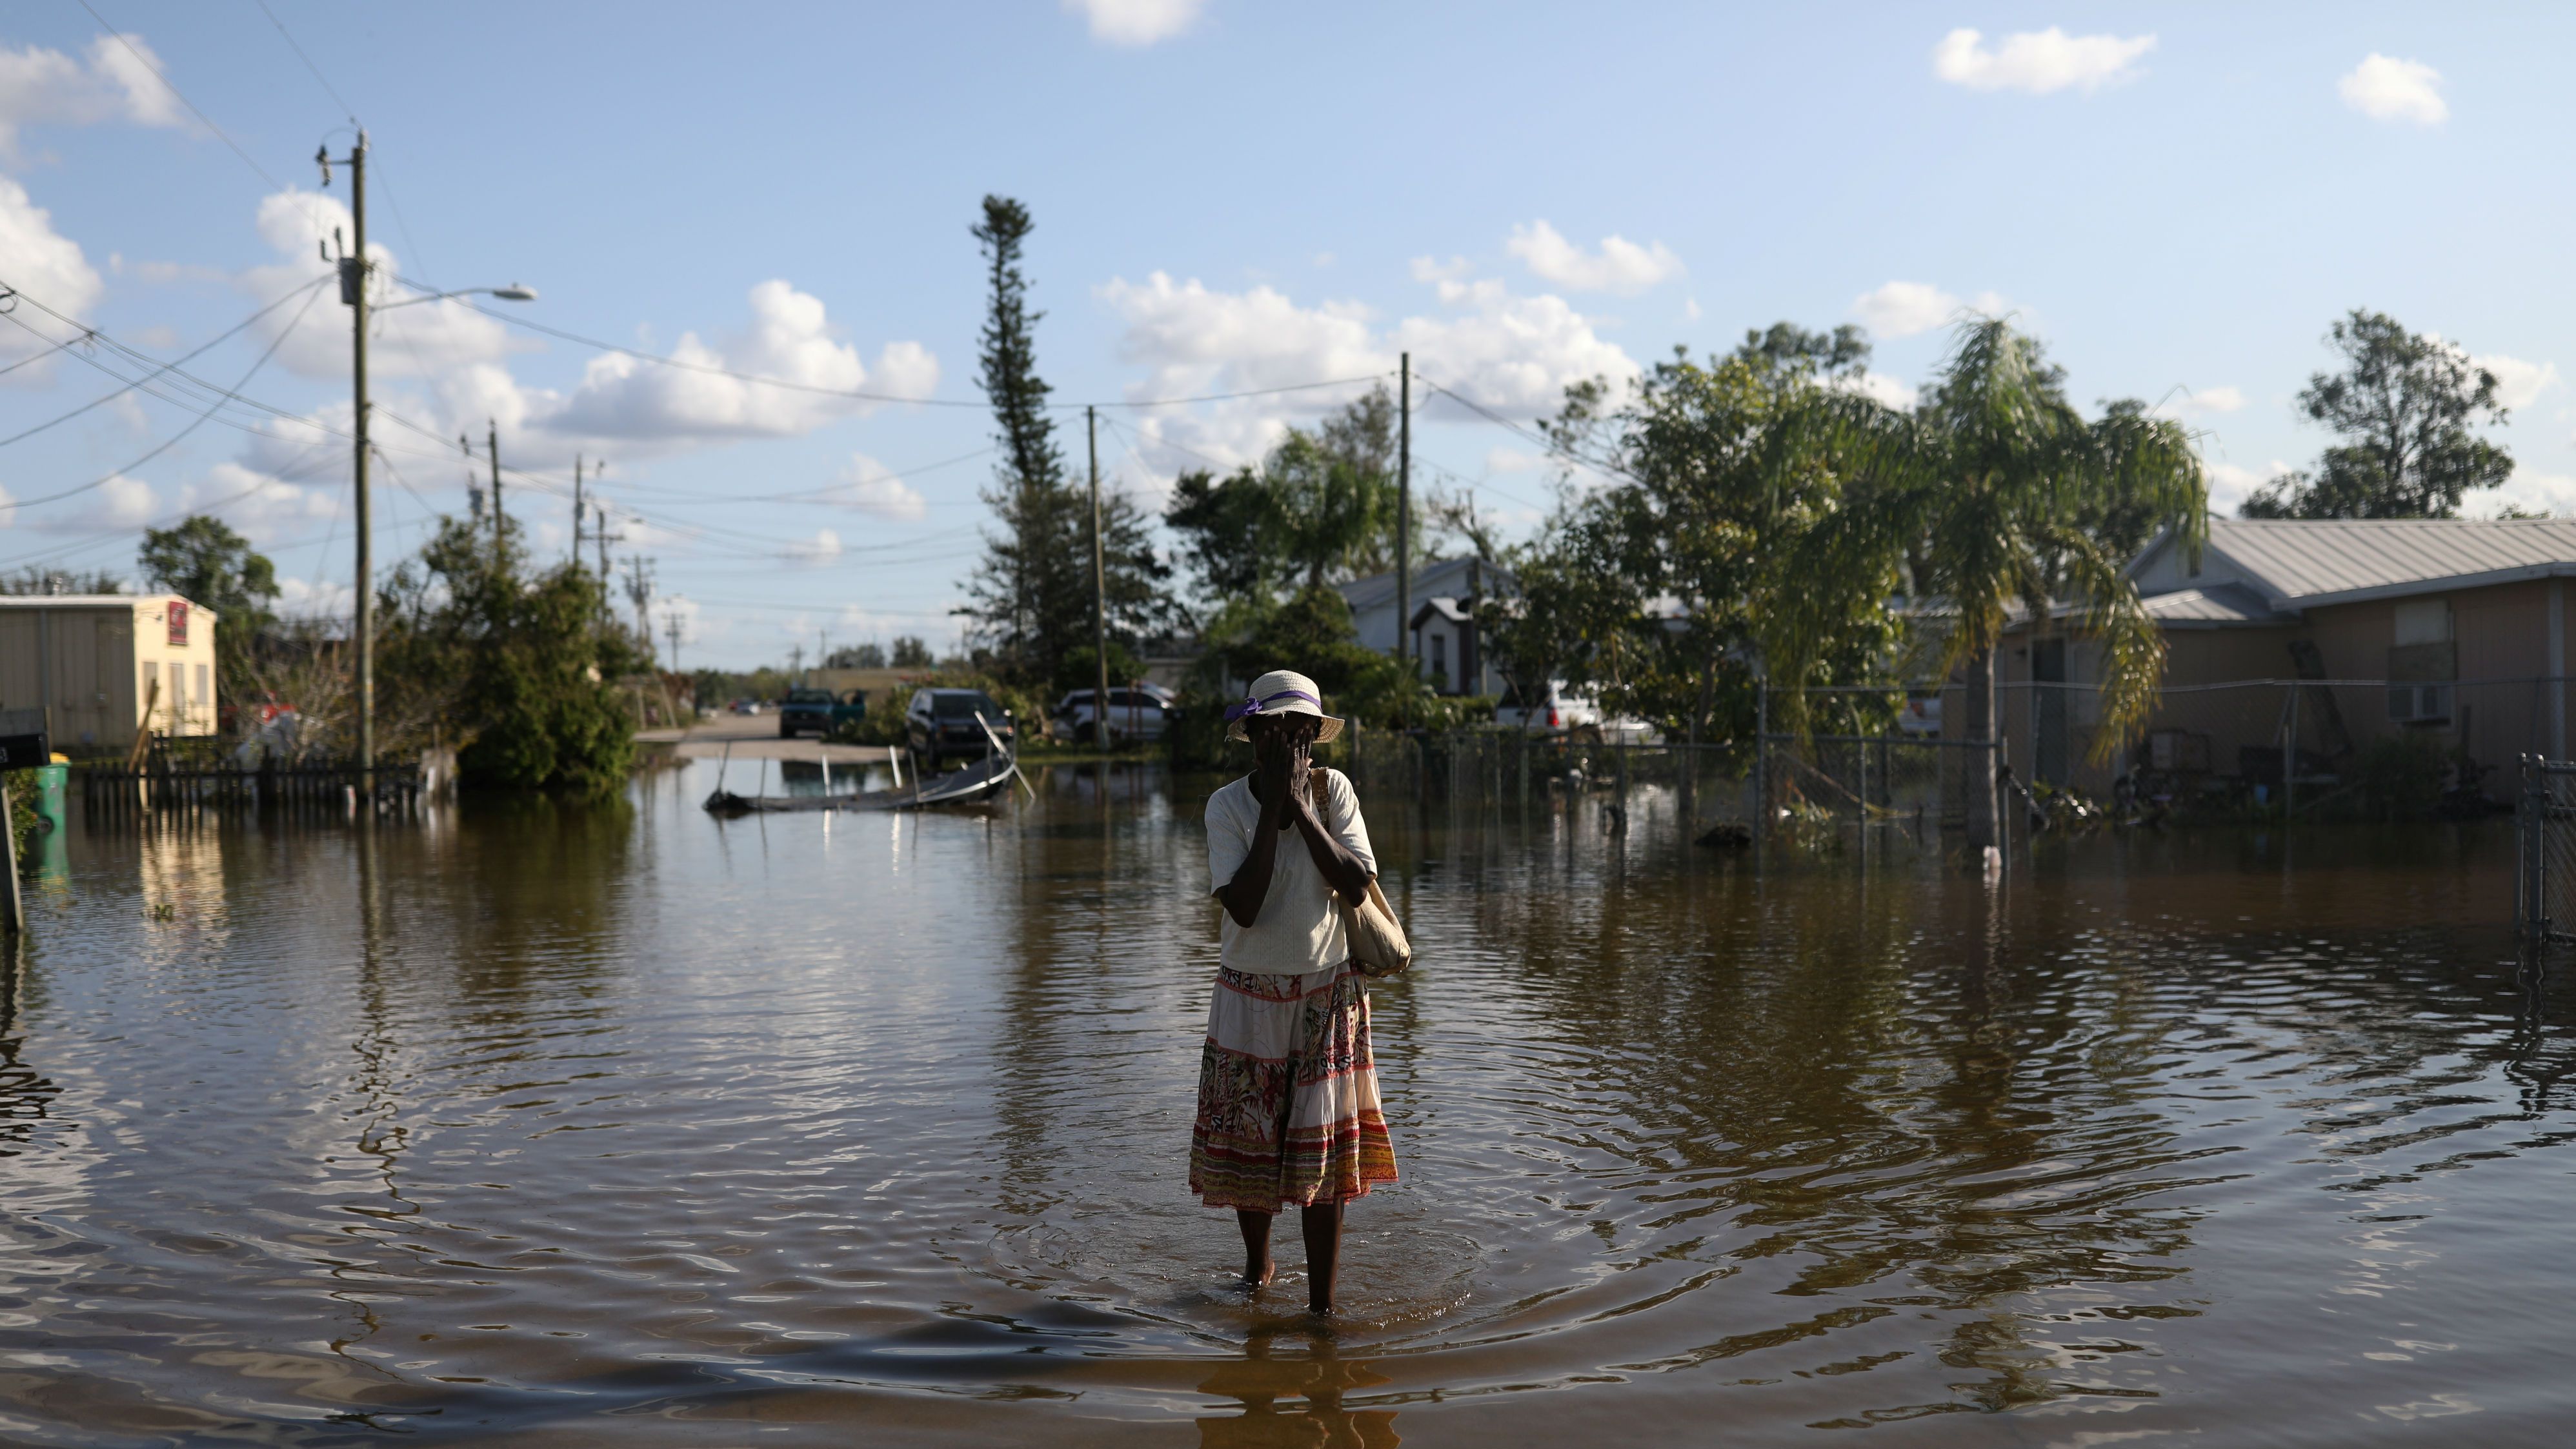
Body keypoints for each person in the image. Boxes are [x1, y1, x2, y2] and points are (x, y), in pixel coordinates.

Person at [1192, 668, 1396, 1315]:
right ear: (1251, 735)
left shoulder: (1334, 792)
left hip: (1326, 993)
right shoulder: (1225, 806)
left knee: (1324, 1156)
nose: (1282, 743)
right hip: (1249, 997)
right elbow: (1246, 907)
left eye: (1295, 733)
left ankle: (1321, 1310)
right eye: (1269, 732)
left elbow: (1355, 884)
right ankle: (1257, 1268)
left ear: (1311, 737)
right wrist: (1271, 809)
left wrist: (1302, 808)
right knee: (1252, 1147)